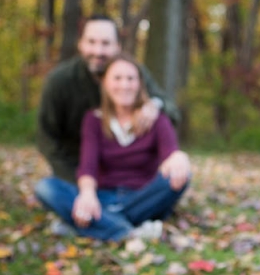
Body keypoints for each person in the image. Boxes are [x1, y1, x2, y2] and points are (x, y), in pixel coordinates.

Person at [34, 53, 191, 241]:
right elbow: (88, 165)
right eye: (117, 78)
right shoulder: (93, 120)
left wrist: (178, 157)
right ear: (105, 83)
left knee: (181, 175)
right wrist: (87, 195)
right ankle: (128, 231)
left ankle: (94, 225)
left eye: (130, 79)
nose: (124, 85)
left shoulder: (156, 118)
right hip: (102, 197)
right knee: (46, 188)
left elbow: (170, 153)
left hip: (143, 197)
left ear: (140, 83)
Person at [36, 14, 180, 185]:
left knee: (173, 179)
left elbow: (170, 109)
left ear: (117, 47)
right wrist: (78, 182)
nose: (98, 51)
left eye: (105, 43)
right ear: (81, 44)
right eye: (91, 42)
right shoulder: (59, 81)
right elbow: (47, 138)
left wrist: (155, 105)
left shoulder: (131, 73)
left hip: (130, 175)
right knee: (47, 188)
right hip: (76, 170)